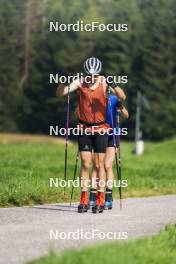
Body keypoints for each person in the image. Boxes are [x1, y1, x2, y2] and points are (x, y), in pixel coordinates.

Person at [56, 57, 126, 213]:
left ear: (99, 72)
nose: (92, 77)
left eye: (95, 74)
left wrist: (113, 85)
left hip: (101, 129)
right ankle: (84, 199)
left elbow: (122, 96)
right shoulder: (80, 81)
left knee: (99, 165)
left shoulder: (103, 81)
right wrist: (63, 82)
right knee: (86, 164)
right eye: (90, 74)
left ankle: (100, 198)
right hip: (84, 129)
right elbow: (61, 93)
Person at [90, 91, 129, 210]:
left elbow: (126, 115)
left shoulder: (113, 99)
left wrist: (120, 106)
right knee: (97, 165)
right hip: (97, 133)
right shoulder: (92, 97)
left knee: (107, 165)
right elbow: (79, 112)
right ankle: (93, 195)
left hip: (112, 135)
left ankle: (108, 196)